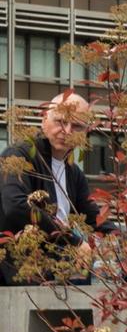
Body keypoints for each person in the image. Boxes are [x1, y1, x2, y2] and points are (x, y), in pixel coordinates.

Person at [0, 91, 103, 284]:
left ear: (86, 132)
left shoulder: (73, 172)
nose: (67, 131)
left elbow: (94, 218)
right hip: (19, 272)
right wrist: (74, 241)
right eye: (60, 121)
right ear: (44, 119)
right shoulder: (18, 157)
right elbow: (16, 207)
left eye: (77, 126)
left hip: (58, 268)